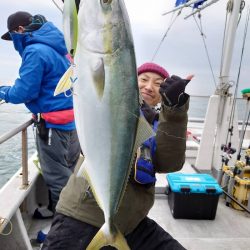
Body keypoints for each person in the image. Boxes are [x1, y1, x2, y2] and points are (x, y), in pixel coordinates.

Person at [42, 62, 191, 250]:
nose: (149, 86)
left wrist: (175, 109)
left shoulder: (159, 125)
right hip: (82, 215)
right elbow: (91, 91)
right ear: (128, 82)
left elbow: (170, 163)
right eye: (143, 79)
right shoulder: (106, 106)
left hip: (133, 224)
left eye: (158, 83)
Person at [0, 11, 81, 214]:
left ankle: (64, 232)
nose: (13, 42)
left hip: (53, 127)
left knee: (57, 179)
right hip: (73, 124)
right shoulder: (60, 48)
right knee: (68, 170)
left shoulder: (34, 51)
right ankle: (60, 216)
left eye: (12, 37)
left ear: (19, 30)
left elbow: (24, 91)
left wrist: (2, 91)